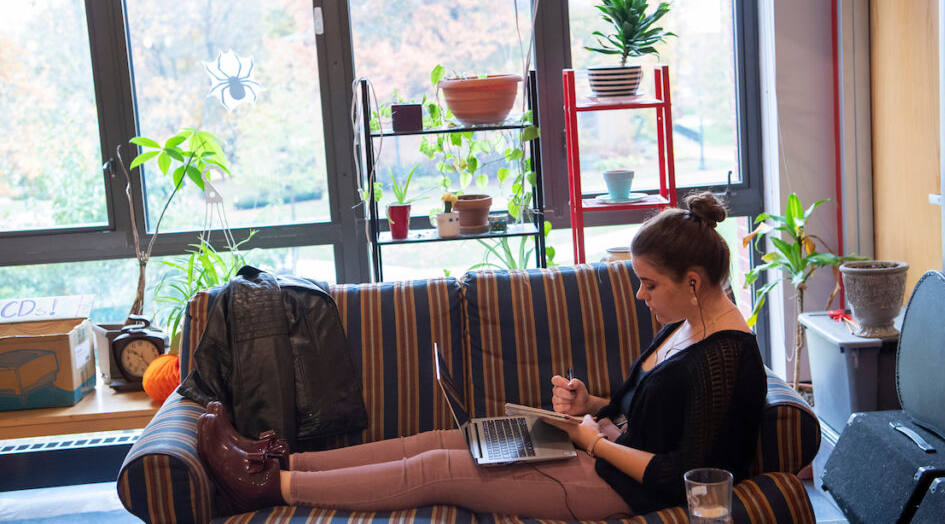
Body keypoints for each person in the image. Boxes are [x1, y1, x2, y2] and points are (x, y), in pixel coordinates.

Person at [197, 191, 767, 520]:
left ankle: (268, 488)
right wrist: (586, 403)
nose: (639, 296)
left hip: (623, 487)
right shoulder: (683, 324)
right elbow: (633, 408)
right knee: (444, 440)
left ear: (692, 281)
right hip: (597, 447)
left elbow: (681, 474)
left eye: (648, 285)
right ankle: (279, 460)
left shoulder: (725, 359)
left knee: (437, 469)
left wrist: (591, 440)